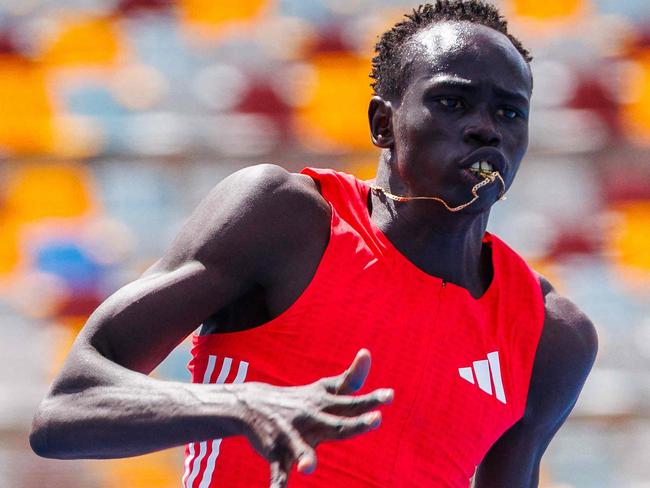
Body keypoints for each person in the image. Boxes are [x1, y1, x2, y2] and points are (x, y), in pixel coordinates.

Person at [30, 1, 598, 487]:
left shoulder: (550, 334)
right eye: (452, 102)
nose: (486, 128)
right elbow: (66, 408)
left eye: (509, 112)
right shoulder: (286, 219)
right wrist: (239, 405)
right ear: (383, 124)